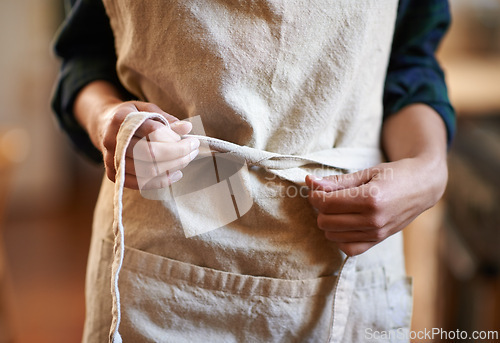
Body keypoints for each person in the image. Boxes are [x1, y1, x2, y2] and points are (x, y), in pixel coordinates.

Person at [52, 0, 455, 341]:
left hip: (343, 252)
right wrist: (106, 117)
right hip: (162, 254)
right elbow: (86, 56)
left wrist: (429, 168)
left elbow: (410, 60)